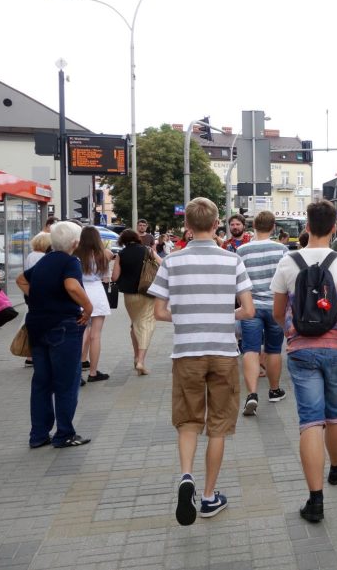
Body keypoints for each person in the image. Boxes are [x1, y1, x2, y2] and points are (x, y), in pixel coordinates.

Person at [148, 197, 254, 526]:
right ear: (216, 224)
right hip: (223, 353)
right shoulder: (232, 260)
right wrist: (223, 314)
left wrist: (188, 315)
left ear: (188, 227)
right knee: (218, 426)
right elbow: (248, 311)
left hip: (186, 353)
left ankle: (186, 477)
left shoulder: (171, 262)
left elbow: (160, 312)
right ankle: (209, 497)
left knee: (188, 421)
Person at [271, 200, 337, 523]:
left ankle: (315, 500)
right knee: (335, 414)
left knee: (310, 420)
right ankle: (336, 467)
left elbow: (279, 312)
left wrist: (291, 335)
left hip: (301, 350)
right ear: (335, 227)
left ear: (306, 227)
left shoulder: (287, 262)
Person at [15, 221, 92, 446]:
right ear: (76, 243)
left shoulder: (44, 260)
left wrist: (39, 297)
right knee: (66, 383)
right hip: (63, 326)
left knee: (41, 382)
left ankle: (38, 435)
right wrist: (88, 308)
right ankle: (65, 433)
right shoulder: (71, 262)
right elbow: (71, 286)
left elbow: (21, 279)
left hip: (37, 326)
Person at [235, 210, 289, 415]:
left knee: (250, 349)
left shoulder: (243, 251)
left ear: (253, 227)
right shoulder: (282, 250)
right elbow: (286, 281)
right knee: (274, 349)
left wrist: (242, 302)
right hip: (275, 307)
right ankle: (274, 391)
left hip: (251, 308)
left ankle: (252, 394)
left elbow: (238, 282)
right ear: (273, 227)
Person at [111, 229, 161, 374]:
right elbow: (162, 263)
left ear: (123, 241)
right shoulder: (147, 250)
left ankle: (135, 357)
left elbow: (114, 277)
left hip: (129, 295)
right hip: (147, 291)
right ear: (137, 238)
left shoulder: (121, 254)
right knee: (147, 324)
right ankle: (140, 360)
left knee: (135, 324)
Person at [75, 226, 114, 383]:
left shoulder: (76, 254)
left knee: (81, 333)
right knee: (95, 335)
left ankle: (76, 373)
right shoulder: (103, 254)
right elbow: (106, 278)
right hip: (97, 294)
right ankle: (93, 373)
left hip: (80, 292)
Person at [23, 232, 53, 368]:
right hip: (42, 292)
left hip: (30, 291)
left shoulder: (30, 255)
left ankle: (30, 356)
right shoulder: (43, 257)